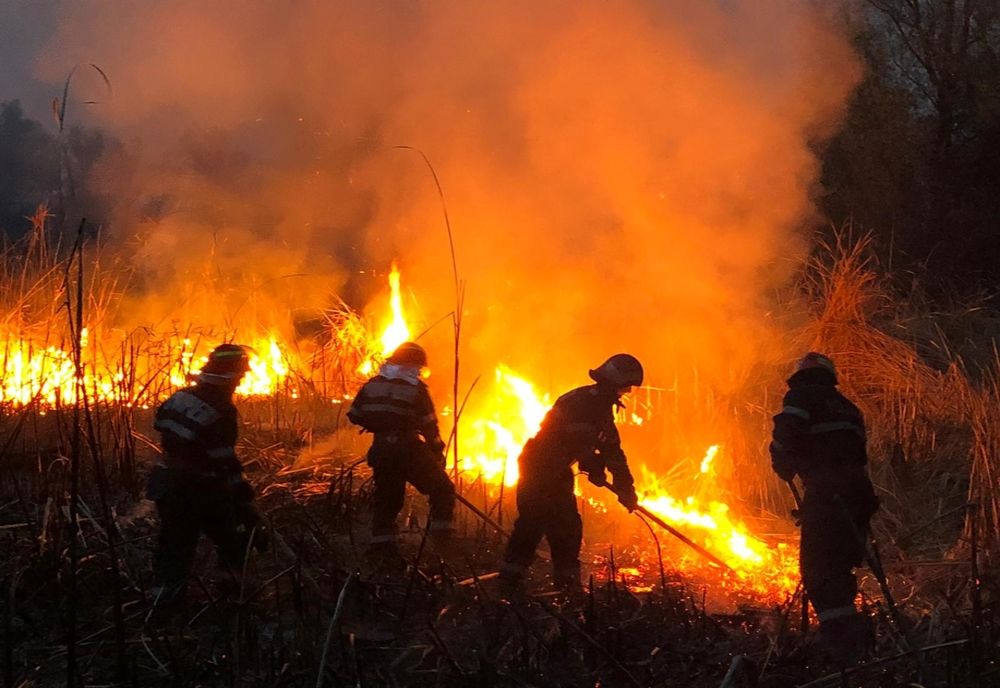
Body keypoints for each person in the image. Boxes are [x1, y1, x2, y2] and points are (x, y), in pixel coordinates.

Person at [499, 354, 642, 593]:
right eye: (625, 386)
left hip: (556, 468)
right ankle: (511, 582)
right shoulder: (583, 403)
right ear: (613, 382)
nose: (626, 392)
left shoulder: (599, 407)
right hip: (540, 466)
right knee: (534, 523)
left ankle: (564, 584)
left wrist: (626, 488)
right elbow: (576, 439)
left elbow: (613, 450)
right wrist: (593, 465)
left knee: (565, 527)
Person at [769, 352, 879, 663]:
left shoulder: (801, 396)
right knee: (840, 567)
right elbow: (853, 452)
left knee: (818, 570)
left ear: (800, 377)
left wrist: (782, 461)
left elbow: (785, 432)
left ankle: (838, 645)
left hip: (827, 492)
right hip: (860, 495)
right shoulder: (848, 407)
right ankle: (856, 639)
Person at [147, 343, 266, 604]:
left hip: (166, 481)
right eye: (240, 376)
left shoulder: (180, 397)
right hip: (200, 489)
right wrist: (243, 498)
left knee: (173, 546)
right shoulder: (222, 411)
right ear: (230, 377)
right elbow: (224, 460)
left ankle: (163, 603)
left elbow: (161, 424)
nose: (240, 382)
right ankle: (233, 597)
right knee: (232, 541)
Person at [347, 341, 455, 561]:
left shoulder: (371, 385)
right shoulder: (415, 389)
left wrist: (379, 423)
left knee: (387, 499)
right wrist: (436, 453)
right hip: (409, 450)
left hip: (382, 450)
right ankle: (442, 541)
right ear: (414, 364)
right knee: (443, 488)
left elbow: (354, 414)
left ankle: (381, 549)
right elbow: (429, 426)